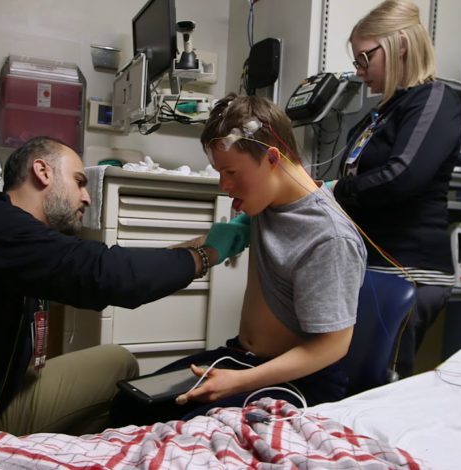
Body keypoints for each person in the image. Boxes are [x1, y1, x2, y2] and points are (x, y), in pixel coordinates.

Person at [0, 136, 250, 437]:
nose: (86, 197)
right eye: (79, 181)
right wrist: (207, 256)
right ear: (42, 172)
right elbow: (106, 275)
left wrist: (203, 243)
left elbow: (112, 266)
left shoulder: (19, 242)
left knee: (116, 361)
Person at [110, 93, 367, 426]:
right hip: (242, 358)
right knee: (129, 405)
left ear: (272, 158)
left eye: (230, 172)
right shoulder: (270, 203)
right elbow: (224, 237)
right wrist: (197, 251)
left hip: (300, 380)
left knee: (189, 431)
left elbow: (333, 346)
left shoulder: (329, 237)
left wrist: (240, 382)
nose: (224, 185)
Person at [331, 0, 461, 378]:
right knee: (350, 377)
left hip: (410, 269)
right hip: (372, 266)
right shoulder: (379, 115)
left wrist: (333, 190)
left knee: (380, 379)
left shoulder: (433, 99)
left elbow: (402, 175)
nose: (359, 71)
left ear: (399, 45)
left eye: (364, 58)